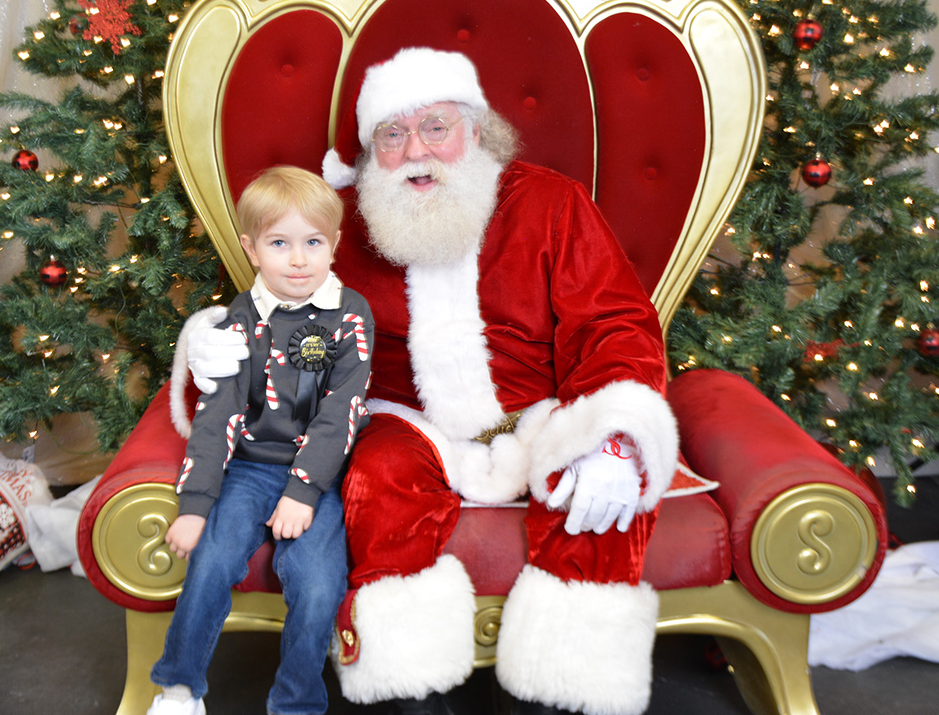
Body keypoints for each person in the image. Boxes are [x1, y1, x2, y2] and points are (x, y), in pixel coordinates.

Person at [179, 48, 678, 715]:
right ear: (370, 151)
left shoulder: (550, 203)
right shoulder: (341, 223)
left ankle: (562, 693)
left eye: (435, 127)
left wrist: (615, 433)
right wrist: (213, 347)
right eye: (393, 135)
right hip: (402, 418)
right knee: (379, 477)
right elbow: (279, 318)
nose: (416, 150)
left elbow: (613, 323)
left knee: (594, 486)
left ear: (476, 131)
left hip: (535, 412)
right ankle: (410, 691)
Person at [150, 166, 373, 715]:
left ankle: (296, 703)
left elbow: (341, 412)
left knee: (318, 586)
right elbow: (217, 412)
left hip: (319, 475)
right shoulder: (239, 319)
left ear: (334, 243)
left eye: (312, 243)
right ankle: (178, 688)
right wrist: (195, 504)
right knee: (212, 559)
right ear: (251, 249)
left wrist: (303, 491)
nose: (298, 260)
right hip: (249, 468)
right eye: (279, 243)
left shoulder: (350, 315)